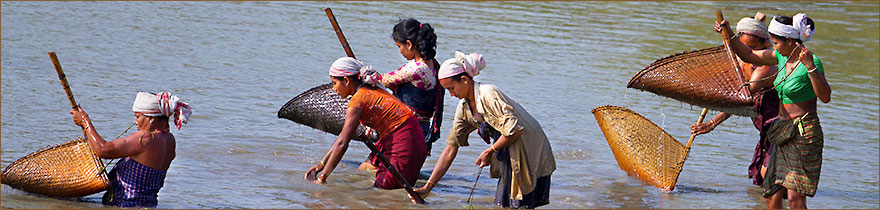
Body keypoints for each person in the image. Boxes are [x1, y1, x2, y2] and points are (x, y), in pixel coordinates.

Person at [715, 13, 831, 209]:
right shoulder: (781, 56)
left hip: (803, 134)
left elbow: (825, 96)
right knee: (771, 195)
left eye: (775, 43)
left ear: (788, 40)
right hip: (782, 132)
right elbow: (748, 55)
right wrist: (729, 34)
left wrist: (810, 67)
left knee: (794, 200)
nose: (773, 47)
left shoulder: (812, 62)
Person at [413, 51, 556, 209]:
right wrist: (428, 187)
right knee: (503, 204)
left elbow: (515, 130)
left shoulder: (488, 93)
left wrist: (490, 151)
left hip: (529, 149)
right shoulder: (464, 108)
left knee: (521, 203)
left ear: (464, 80)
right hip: (508, 151)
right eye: (448, 90)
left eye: (452, 88)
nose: (451, 94)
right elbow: (450, 149)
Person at [691, 12, 781, 205]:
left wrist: (712, 122)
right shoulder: (744, 59)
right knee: (763, 184)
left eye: (753, 49)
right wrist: (730, 32)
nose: (748, 53)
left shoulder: (766, 69)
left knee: (768, 179)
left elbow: (739, 99)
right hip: (765, 130)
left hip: (779, 129)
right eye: (743, 48)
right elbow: (747, 41)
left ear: (766, 45)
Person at [305, 57, 427, 190]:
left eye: (334, 83)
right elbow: (342, 138)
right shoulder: (369, 90)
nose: (334, 89)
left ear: (346, 81)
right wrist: (322, 164)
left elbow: (343, 143)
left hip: (404, 141)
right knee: (387, 188)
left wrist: (323, 177)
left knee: (383, 190)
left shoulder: (358, 101)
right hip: (412, 137)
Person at [69, 91, 191, 208]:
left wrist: (85, 122)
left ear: (152, 118)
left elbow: (103, 150)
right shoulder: (169, 140)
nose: (136, 122)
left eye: (138, 117)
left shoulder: (146, 138)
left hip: (124, 205)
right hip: (148, 204)